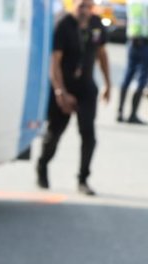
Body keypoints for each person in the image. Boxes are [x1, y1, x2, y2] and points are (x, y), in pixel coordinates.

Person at [37, 0, 113, 196]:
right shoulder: (63, 25)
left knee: (88, 135)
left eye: (89, 6)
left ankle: (83, 178)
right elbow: (54, 61)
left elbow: (102, 54)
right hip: (64, 86)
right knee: (55, 133)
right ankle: (43, 165)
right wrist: (60, 92)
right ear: (73, 5)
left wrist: (108, 83)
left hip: (86, 88)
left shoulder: (96, 24)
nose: (85, 10)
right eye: (81, 6)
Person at [118, 0, 148, 123]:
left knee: (128, 75)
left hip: (132, 41)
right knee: (142, 78)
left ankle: (120, 112)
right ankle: (133, 114)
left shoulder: (132, 2)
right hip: (144, 43)